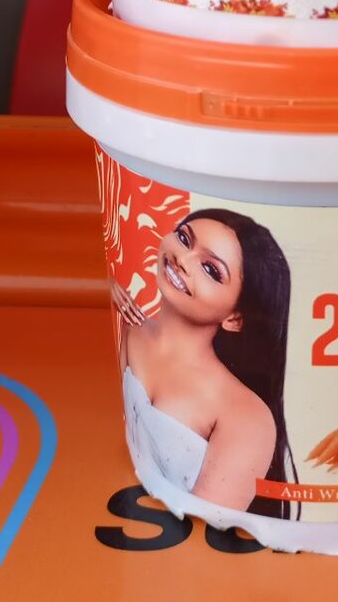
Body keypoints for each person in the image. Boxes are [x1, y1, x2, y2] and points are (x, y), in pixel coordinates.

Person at [111, 207, 296, 519]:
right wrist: (109, 286)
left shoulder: (247, 415)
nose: (183, 259)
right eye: (184, 238)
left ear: (235, 318)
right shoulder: (131, 332)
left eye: (211, 270)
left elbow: (209, 523)